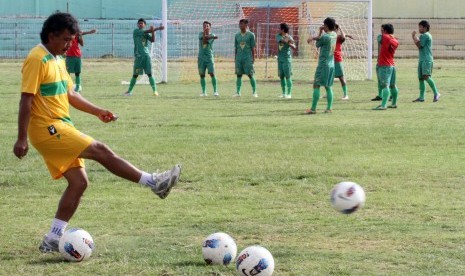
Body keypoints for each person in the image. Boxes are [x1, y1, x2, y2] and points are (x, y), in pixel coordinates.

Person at [13, 12, 181, 253]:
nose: (70, 44)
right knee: (100, 150)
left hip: (61, 125)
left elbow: (70, 94)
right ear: (51, 36)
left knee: (79, 182)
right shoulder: (36, 58)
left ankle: (52, 238)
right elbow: (26, 100)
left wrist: (97, 111)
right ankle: (153, 182)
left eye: (72, 39)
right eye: (66, 39)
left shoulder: (58, 59)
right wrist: (21, 138)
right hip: (46, 129)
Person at [305, 17, 337, 114]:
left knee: (316, 85)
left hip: (323, 65)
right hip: (331, 64)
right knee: (328, 86)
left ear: (326, 26)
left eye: (324, 25)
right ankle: (329, 108)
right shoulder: (334, 34)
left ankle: (313, 109)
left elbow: (317, 44)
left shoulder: (325, 36)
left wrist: (318, 33)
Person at [124, 18, 164, 96]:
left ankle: (155, 91)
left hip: (146, 56)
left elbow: (152, 40)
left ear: (144, 25)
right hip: (138, 56)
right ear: (137, 25)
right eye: (139, 23)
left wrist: (153, 32)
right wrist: (157, 28)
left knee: (150, 74)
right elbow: (147, 31)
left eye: (142, 23)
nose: (140, 24)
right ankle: (129, 91)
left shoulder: (146, 33)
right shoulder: (136, 31)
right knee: (135, 75)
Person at [412, 20, 440, 102]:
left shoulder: (425, 35)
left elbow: (419, 45)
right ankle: (421, 97)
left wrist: (413, 36)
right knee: (421, 78)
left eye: (420, 27)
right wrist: (416, 38)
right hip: (422, 59)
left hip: (426, 60)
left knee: (426, 76)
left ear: (425, 28)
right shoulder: (425, 35)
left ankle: (436, 93)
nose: (419, 29)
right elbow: (420, 43)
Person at [372, 24, 399, 110]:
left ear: (385, 31)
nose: (381, 32)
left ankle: (383, 105)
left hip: (384, 65)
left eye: (382, 30)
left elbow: (379, 38)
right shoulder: (395, 40)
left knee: (385, 86)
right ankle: (394, 103)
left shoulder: (384, 37)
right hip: (392, 65)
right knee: (393, 85)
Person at [65, 28, 96, 93]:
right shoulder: (68, 35)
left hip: (77, 56)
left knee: (77, 72)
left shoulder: (78, 36)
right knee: (67, 72)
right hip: (69, 56)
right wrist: (88, 32)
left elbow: (82, 44)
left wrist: (81, 36)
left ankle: (78, 86)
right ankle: (66, 85)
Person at [234, 19, 257, 97]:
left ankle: (254, 92)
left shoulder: (251, 35)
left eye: (242, 24)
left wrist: (253, 58)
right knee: (238, 75)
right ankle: (238, 92)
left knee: (250, 74)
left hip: (247, 58)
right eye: (240, 24)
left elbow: (253, 47)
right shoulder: (237, 35)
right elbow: (236, 48)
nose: (240, 25)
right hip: (239, 58)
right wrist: (235, 58)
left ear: (246, 25)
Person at [198, 21, 219, 97]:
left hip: (209, 57)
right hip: (201, 57)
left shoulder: (212, 34)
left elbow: (206, 41)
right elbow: (204, 40)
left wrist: (212, 37)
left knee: (212, 73)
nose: (205, 27)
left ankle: (215, 91)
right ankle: (204, 92)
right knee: (202, 75)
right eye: (204, 26)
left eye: (207, 26)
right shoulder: (200, 34)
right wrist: (212, 37)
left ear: (210, 27)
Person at [276, 22, 296, 99]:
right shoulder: (278, 36)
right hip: (280, 58)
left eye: (279, 28)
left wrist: (290, 43)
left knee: (288, 76)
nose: (278, 30)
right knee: (281, 76)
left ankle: (289, 93)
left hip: (287, 59)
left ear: (283, 30)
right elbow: (280, 40)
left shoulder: (289, 37)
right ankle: (283, 93)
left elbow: (294, 46)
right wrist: (286, 41)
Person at [334, 24, 353, 100]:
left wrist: (340, 28)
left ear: (337, 29)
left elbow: (343, 37)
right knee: (329, 77)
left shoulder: (339, 37)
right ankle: (327, 92)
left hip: (337, 59)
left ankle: (346, 94)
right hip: (330, 59)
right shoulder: (330, 36)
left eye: (335, 29)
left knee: (341, 77)